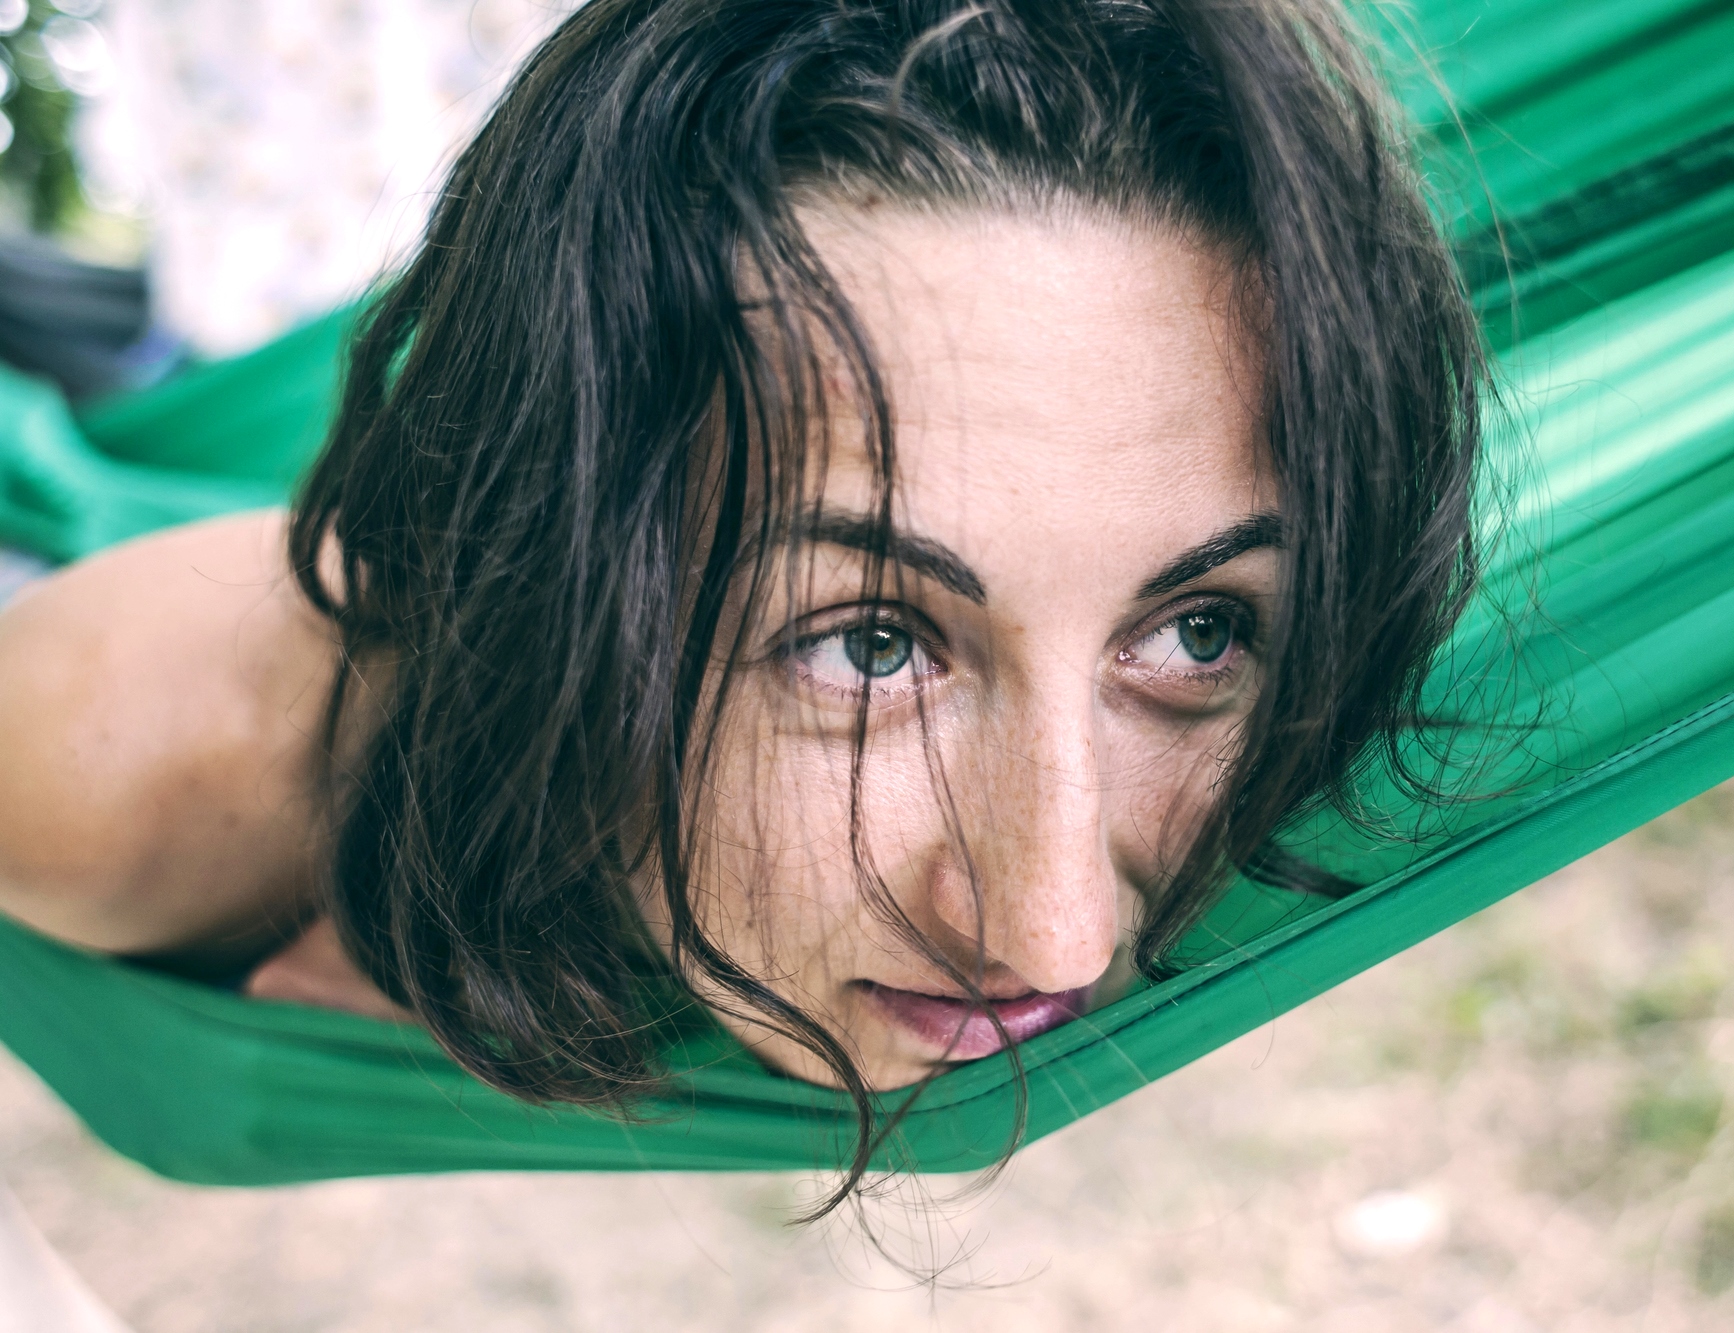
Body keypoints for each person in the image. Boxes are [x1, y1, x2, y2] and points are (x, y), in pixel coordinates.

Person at [0, 0, 1482, 1171]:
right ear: (561, 589)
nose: (1059, 934)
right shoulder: (93, 761)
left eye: (1197, 628)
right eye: (873, 644)